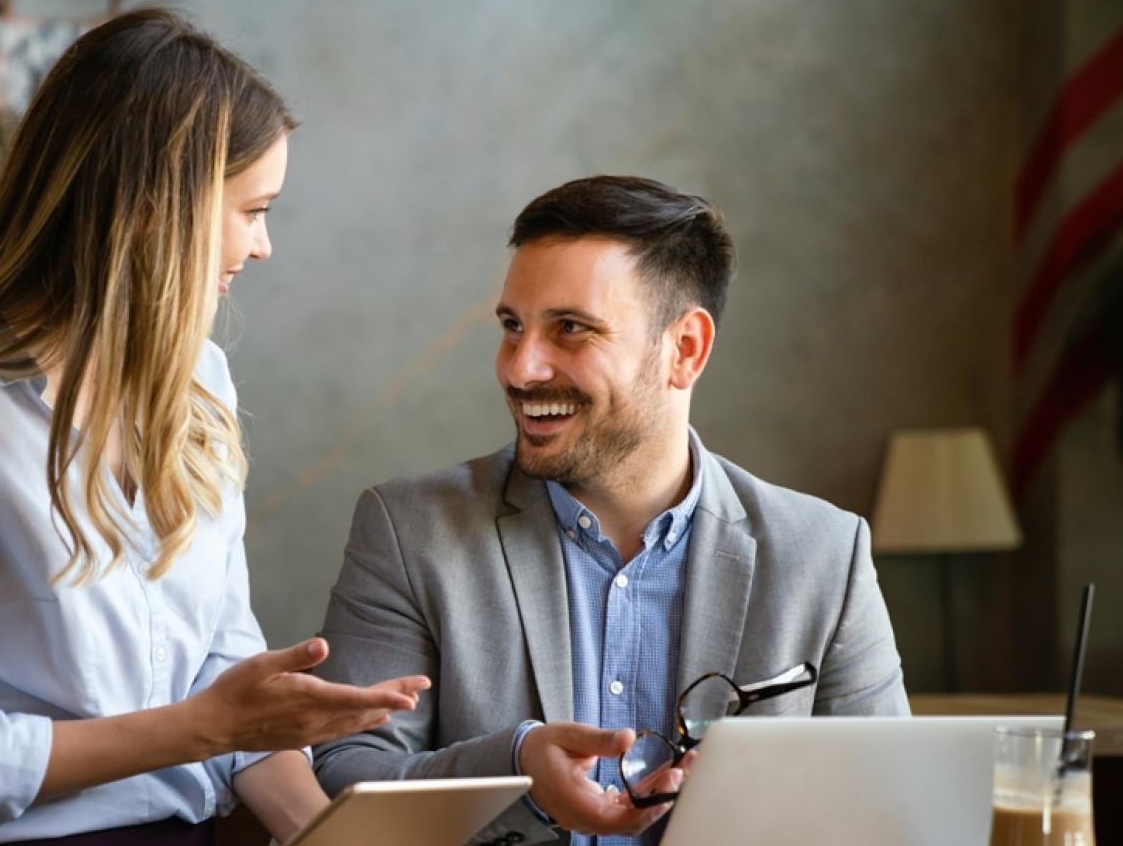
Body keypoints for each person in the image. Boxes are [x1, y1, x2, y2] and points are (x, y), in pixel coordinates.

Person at [0, 8, 428, 846]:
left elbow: (219, 661)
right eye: (252, 208)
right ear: (148, 206)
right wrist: (202, 726)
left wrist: (330, 835)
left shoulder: (198, 382)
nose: (263, 245)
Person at [310, 175, 909, 846]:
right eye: (513, 326)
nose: (520, 367)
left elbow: (888, 809)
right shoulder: (407, 529)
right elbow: (340, 779)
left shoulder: (824, 552)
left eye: (569, 328)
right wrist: (516, 769)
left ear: (684, 349)